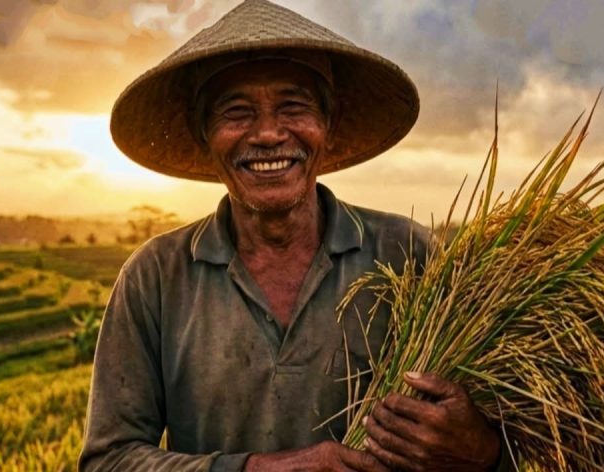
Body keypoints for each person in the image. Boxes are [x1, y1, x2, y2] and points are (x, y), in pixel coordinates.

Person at [79, 1, 504, 470]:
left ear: (327, 124)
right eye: (236, 112)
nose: (267, 134)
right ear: (205, 135)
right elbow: (108, 460)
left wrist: (480, 447)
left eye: (293, 107)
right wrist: (258, 468)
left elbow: (511, 439)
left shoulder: (410, 254)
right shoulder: (156, 276)